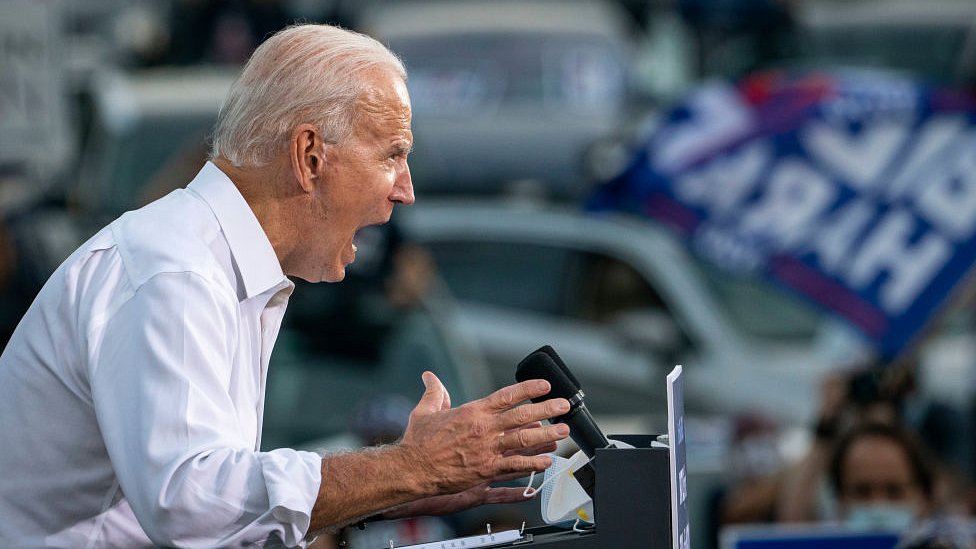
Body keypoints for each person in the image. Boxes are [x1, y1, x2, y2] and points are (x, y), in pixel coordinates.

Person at [0, 24, 571, 547]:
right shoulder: (176, 270)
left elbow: (218, 507)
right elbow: (186, 503)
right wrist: (411, 468)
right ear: (310, 156)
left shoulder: (207, 259)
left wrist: (399, 484)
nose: (406, 190)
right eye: (393, 155)